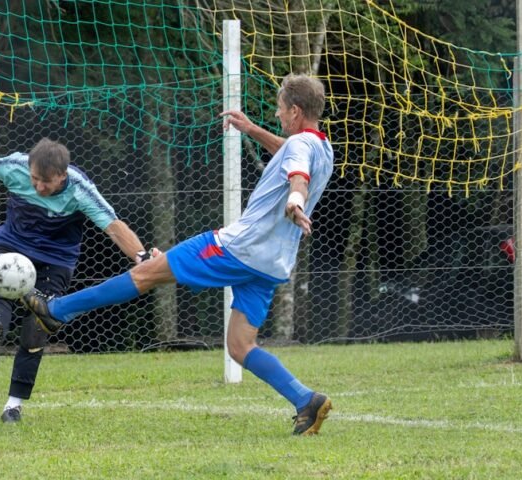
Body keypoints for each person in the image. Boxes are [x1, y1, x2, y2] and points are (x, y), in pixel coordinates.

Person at [23, 74, 335, 435]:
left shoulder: (299, 150)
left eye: (281, 110)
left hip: (237, 248)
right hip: (272, 264)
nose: (279, 116)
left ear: (295, 111)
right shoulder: (320, 147)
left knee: (146, 274)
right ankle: (306, 400)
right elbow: (290, 152)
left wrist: (296, 201)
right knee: (239, 346)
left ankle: (56, 311)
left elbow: (297, 176)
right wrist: (251, 130)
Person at [0, 137, 153, 423]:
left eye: (46, 182)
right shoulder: (16, 166)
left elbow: (114, 227)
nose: (39, 187)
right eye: (34, 179)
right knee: (5, 286)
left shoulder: (81, 189)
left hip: (55, 260)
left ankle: (12, 404)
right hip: (11, 245)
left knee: (39, 322)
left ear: (63, 175)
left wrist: (143, 258)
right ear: (29, 168)